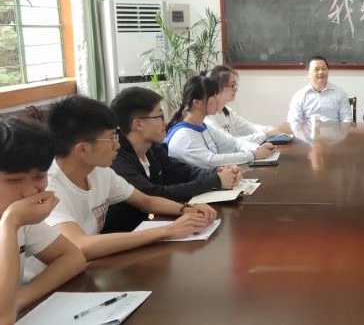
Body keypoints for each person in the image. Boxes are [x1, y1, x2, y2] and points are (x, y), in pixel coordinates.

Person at [43, 96, 217, 261]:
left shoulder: (100, 172)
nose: (117, 145)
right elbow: (80, 245)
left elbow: (146, 201)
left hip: (88, 266)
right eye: (111, 138)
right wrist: (167, 230)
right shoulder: (47, 187)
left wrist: (186, 209)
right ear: (83, 149)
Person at [106, 87, 243, 232]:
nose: (165, 123)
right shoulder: (116, 160)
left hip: (149, 228)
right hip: (123, 236)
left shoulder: (153, 149)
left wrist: (217, 172)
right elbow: (155, 194)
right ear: (138, 124)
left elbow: (183, 172)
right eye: (159, 116)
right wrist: (215, 181)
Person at [0, 117, 85, 322]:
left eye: (39, 177)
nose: (30, 191)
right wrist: (10, 224)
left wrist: (20, 299)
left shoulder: (18, 216)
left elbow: (73, 258)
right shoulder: (14, 216)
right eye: (14, 180)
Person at [166, 76, 275, 169]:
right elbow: (212, 161)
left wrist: (256, 149)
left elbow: (233, 143)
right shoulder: (184, 136)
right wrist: (253, 155)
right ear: (197, 103)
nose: (218, 100)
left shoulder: (203, 126)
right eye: (213, 96)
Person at [205, 65, 277, 144]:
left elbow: (250, 128)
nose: (236, 89)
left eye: (235, 85)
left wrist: (275, 130)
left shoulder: (227, 111)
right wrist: (267, 134)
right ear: (217, 87)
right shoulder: (208, 117)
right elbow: (231, 143)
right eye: (232, 85)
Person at [288, 55, 352, 122]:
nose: (321, 72)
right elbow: (293, 121)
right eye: (316, 69)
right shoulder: (300, 96)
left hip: (333, 128)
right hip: (309, 128)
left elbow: (347, 119)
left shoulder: (340, 93)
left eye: (324, 69)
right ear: (308, 73)